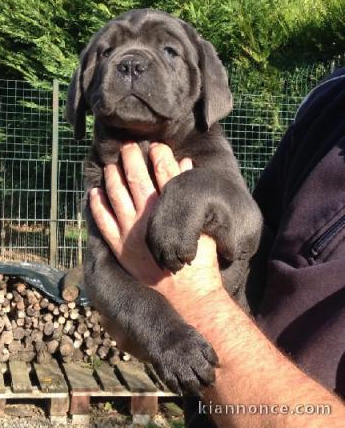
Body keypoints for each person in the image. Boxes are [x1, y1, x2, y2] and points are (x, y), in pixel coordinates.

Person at [89, 68, 345, 427]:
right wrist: (143, 313)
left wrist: (196, 305)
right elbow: (251, 237)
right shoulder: (331, 100)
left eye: (169, 54)